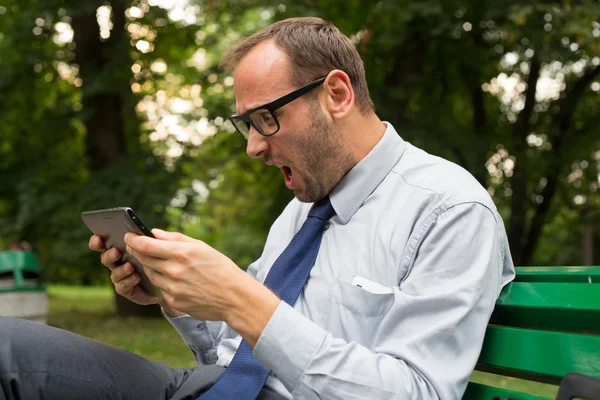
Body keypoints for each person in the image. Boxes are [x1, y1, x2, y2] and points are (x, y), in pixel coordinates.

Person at [0, 17, 515, 400]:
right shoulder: (301, 210)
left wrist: (243, 301)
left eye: (266, 117)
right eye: (246, 123)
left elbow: (418, 392)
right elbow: (232, 356)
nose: (253, 146)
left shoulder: (450, 210)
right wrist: (176, 298)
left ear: (336, 93)